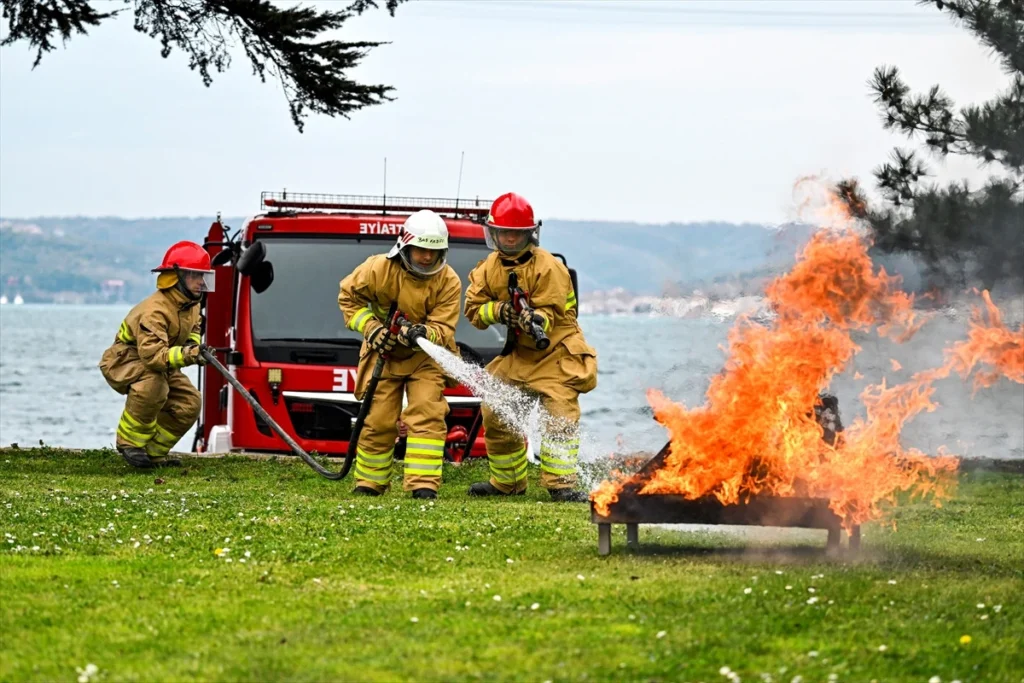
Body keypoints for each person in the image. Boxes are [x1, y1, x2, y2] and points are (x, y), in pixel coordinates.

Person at [463, 192, 598, 501]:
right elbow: (474, 311)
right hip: (518, 354)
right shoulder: (487, 269)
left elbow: (554, 312)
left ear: (530, 234)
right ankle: (507, 482)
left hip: (556, 351)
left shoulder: (549, 266)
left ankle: (562, 486)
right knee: (496, 410)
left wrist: (535, 318)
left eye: (517, 234)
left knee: (560, 415)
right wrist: (499, 311)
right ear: (493, 232)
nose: (510, 239)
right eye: (504, 233)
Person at [337, 210, 461, 499]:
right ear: (405, 245)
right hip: (385, 352)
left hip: (426, 359)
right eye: (421, 250)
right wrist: (372, 329)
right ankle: (369, 483)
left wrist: (423, 333)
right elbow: (348, 298)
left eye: (433, 251)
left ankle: (423, 485)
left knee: (427, 414)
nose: (427, 257)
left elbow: (443, 327)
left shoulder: (448, 280)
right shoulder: (378, 269)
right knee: (378, 419)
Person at [98, 241, 213, 469]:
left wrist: (194, 347)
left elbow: (194, 329)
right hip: (127, 360)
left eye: (203, 275)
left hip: (161, 362)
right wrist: (189, 354)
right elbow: (153, 357)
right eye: (195, 275)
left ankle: (153, 454)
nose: (201, 281)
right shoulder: (155, 311)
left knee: (190, 402)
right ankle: (130, 443)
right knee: (154, 385)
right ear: (176, 277)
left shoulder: (191, 305)